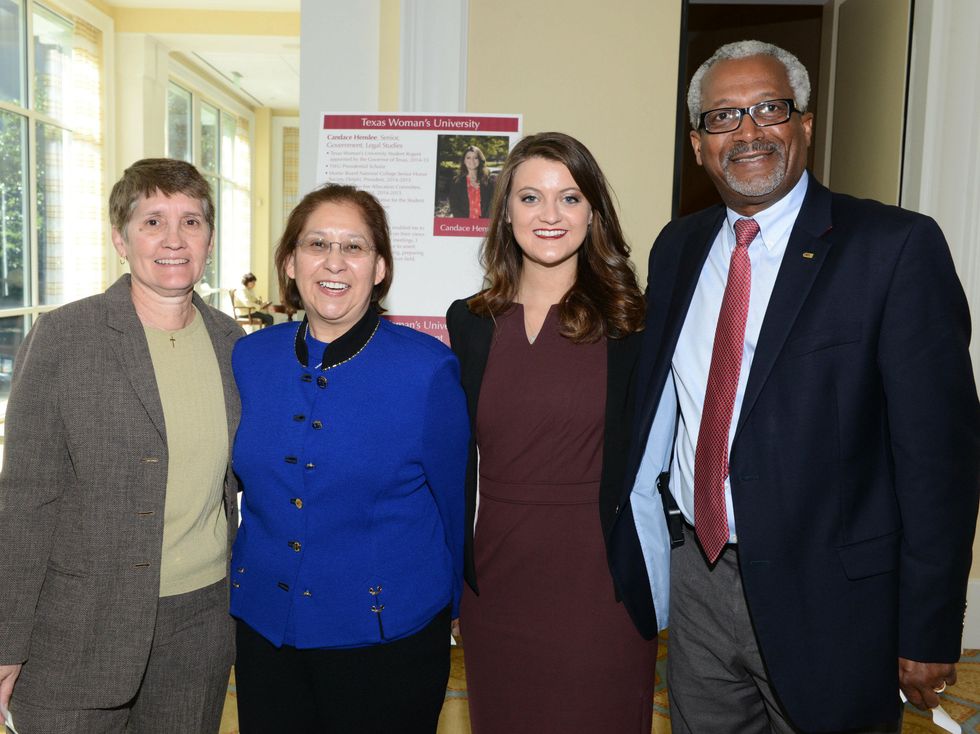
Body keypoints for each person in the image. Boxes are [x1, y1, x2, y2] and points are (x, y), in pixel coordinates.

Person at [608, 40, 980, 733]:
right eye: (723, 118)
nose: (747, 132)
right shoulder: (678, 247)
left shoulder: (893, 248)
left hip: (833, 599)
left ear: (804, 123)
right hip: (701, 579)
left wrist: (929, 628)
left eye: (768, 109)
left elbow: (939, 460)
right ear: (697, 144)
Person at [0, 158, 243, 733]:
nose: (174, 239)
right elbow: (25, 500)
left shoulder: (234, 345)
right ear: (120, 238)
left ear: (209, 239)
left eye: (191, 221)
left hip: (198, 628)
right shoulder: (65, 338)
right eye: (152, 221)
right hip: (78, 630)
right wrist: (6, 641)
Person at [230, 183, 469, 733]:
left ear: (380, 268)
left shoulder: (426, 370)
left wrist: (456, 607)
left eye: (355, 247)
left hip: (386, 641)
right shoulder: (250, 357)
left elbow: (454, 505)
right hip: (267, 634)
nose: (334, 262)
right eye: (317, 244)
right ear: (290, 262)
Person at [447, 132, 655, 733]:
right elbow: (459, 461)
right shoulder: (471, 321)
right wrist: (460, 576)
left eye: (569, 198)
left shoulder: (632, 321)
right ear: (505, 210)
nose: (549, 215)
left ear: (594, 213)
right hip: (498, 585)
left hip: (601, 587)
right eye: (531, 197)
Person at [448, 144, 495, 218]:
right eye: (468, 158)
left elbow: (493, 205)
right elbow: (454, 207)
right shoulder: (456, 182)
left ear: (480, 160)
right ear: (464, 160)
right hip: (464, 226)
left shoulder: (490, 181)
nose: (472, 161)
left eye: (475, 158)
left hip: (484, 226)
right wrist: (467, 225)